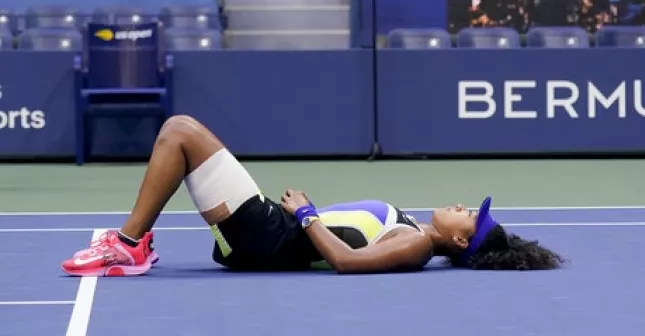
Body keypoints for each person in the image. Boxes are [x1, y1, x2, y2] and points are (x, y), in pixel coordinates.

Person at [61, 115, 564, 276]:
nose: (465, 208)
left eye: (471, 218)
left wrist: (305, 212)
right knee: (181, 137)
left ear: (459, 243)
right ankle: (134, 242)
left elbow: (346, 262)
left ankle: (129, 244)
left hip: (269, 237)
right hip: (267, 236)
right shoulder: (412, 227)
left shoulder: (413, 245)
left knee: (181, 132)